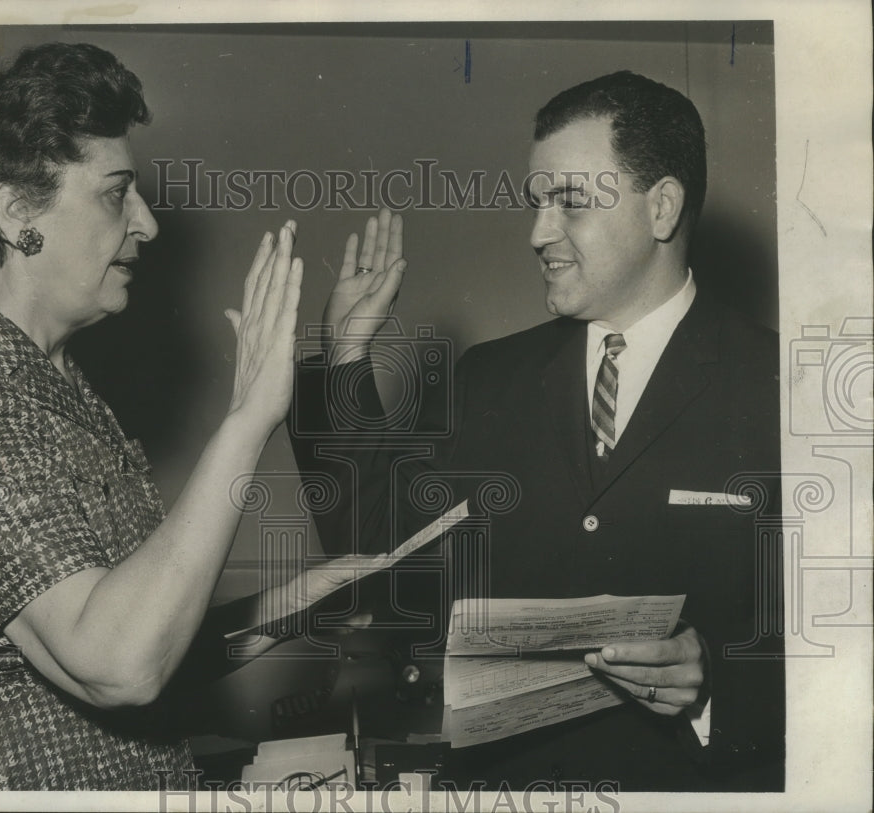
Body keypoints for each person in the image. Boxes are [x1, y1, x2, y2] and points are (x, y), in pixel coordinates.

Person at [290, 71, 784, 791]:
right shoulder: (487, 377)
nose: (537, 233)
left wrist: (712, 682)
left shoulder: (779, 387)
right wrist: (346, 359)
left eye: (570, 203)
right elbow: (373, 559)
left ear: (662, 208)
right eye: (536, 203)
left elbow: (840, 651)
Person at [0, 41, 365, 791]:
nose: (145, 222)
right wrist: (247, 419)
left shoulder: (49, 388)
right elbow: (117, 664)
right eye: (117, 192)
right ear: (20, 214)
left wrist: (297, 599)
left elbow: (137, 622)